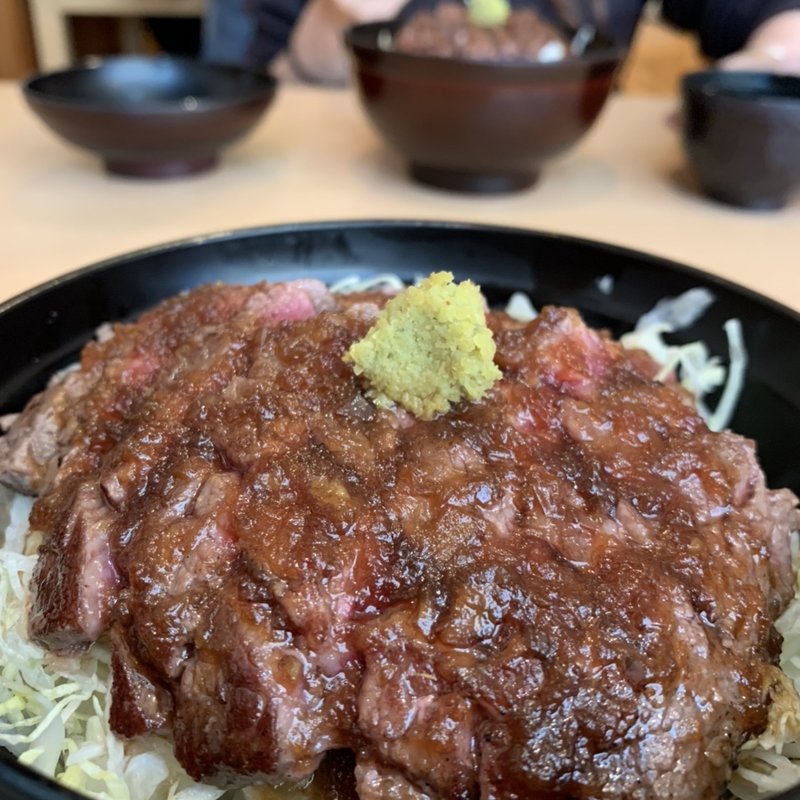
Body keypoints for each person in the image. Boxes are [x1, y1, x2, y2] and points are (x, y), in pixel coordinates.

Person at [202, 0, 800, 85]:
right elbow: (238, 91)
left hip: (576, 201)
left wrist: (769, 61)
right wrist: (336, 20)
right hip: (350, 182)